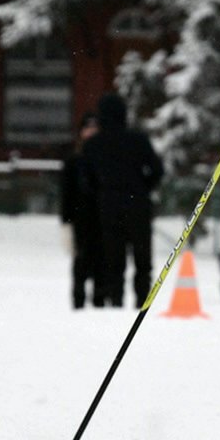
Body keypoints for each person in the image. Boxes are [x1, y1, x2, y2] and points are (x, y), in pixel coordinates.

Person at [81, 92, 164, 308]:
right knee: (142, 259)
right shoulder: (138, 140)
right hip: (138, 204)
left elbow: (86, 180)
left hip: (108, 206)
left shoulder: (93, 145)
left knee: (113, 259)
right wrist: (143, 187)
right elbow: (157, 169)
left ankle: (115, 300)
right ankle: (142, 301)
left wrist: (103, 192)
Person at [60, 112, 103, 309]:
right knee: (80, 262)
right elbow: (66, 193)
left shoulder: (106, 159)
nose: (91, 132)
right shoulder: (74, 160)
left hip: (102, 219)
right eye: (88, 128)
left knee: (102, 262)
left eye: (95, 128)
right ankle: (78, 302)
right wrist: (66, 222)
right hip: (80, 219)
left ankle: (100, 302)